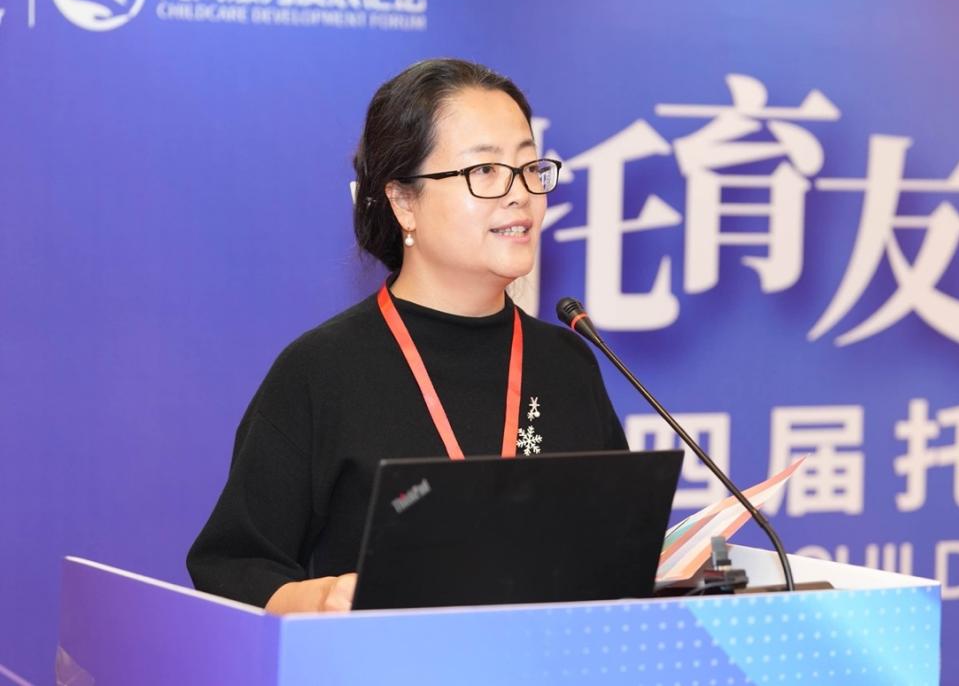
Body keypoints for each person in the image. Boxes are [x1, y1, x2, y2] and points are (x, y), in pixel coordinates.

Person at [187, 58, 629, 614]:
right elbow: (231, 569)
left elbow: (614, 552)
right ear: (403, 202)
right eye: (485, 170)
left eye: (528, 166)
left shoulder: (566, 361)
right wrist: (324, 597)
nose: (520, 194)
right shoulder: (322, 371)